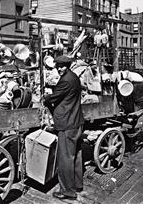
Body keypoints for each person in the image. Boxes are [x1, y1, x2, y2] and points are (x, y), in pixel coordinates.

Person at [43, 55, 84, 201]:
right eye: (58, 66)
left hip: (67, 124)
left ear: (67, 65)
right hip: (76, 122)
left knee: (65, 158)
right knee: (76, 155)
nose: (59, 69)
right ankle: (78, 184)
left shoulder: (66, 80)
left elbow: (54, 97)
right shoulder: (73, 76)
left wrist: (46, 97)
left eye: (62, 66)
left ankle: (68, 191)